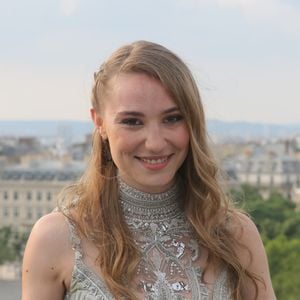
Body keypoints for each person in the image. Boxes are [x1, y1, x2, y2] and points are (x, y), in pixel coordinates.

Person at [22, 40, 276, 300]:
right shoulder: (55, 238)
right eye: (132, 121)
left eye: (172, 118)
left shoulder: (236, 234)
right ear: (99, 122)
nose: (154, 143)